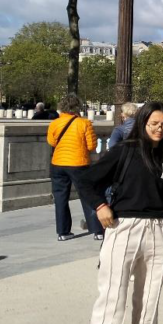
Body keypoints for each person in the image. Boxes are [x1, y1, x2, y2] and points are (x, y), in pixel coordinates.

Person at [76, 102, 163, 324]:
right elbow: (86, 181)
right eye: (154, 123)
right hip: (125, 226)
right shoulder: (125, 150)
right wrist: (100, 206)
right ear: (142, 122)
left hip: (160, 227)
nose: (159, 129)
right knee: (112, 296)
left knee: (149, 296)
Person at [46, 95, 101, 241]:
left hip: (58, 163)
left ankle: (63, 232)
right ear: (77, 107)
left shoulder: (55, 123)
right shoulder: (84, 123)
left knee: (60, 198)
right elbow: (92, 146)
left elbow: (51, 141)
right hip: (78, 163)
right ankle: (96, 230)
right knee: (87, 195)